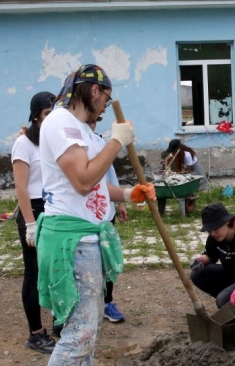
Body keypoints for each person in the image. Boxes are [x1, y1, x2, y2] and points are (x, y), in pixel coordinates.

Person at [36, 64, 155, 365]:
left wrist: (129, 194)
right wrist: (116, 141)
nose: (104, 107)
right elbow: (83, 182)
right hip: (72, 242)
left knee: (86, 333)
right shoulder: (61, 123)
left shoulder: (84, 133)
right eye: (105, 98)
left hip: (85, 239)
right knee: (79, 336)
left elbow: (98, 186)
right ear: (93, 90)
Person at [11, 91, 57, 354]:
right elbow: (21, 187)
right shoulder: (23, 145)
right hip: (34, 210)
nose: (51, 119)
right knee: (34, 272)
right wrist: (29, 223)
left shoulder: (53, 142)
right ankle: (36, 333)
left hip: (53, 208)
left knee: (56, 270)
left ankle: (59, 324)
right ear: (36, 117)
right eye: (47, 114)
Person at [88, 115, 128, 324]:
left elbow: (110, 174)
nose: (92, 123)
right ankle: (83, 308)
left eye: (95, 120)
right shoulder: (73, 144)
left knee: (107, 258)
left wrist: (121, 201)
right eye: (89, 120)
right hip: (83, 220)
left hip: (105, 214)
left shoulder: (101, 143)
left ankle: (107, 303)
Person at [159, 139, 208, 214]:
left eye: (173, 150)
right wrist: (167, 169)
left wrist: (176, 173)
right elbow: (166, 159)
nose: (173, 152)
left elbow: (188, 170)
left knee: (184, 180)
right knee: (177, 178)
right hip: (189, 170)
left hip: (196, 171)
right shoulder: (175, 152)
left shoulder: (187, 154)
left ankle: (188, 196)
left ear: (177, 149)